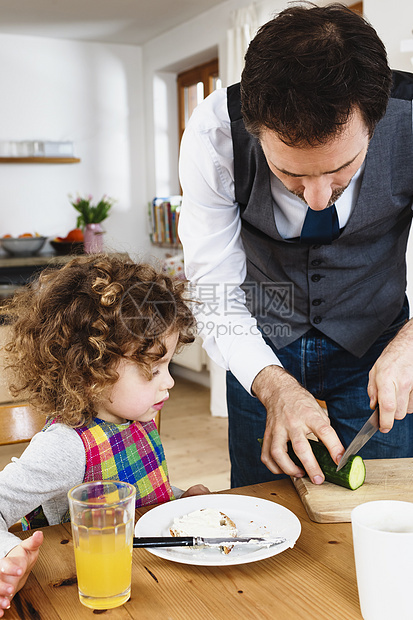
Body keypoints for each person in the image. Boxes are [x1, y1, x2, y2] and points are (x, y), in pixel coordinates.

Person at [178, 3, 413, 489]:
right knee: (260, 504)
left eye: (340, 169)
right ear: (255, 128)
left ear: (376, 119)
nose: (318, 198)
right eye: (291, 174)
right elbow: (212, 286)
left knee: (386, 507)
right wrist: (271, 383)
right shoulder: (214, 133)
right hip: (260, 340)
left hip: (379, 339)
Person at [0, 254, 209, 614]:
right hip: (87, 597)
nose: (171, 381)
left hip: (152, 585)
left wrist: (180, 498)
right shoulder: (67, 446)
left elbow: (134, 492)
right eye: (153, 369)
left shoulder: (137, 420)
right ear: (92, 374)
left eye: (168, 365)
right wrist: (7, 555)